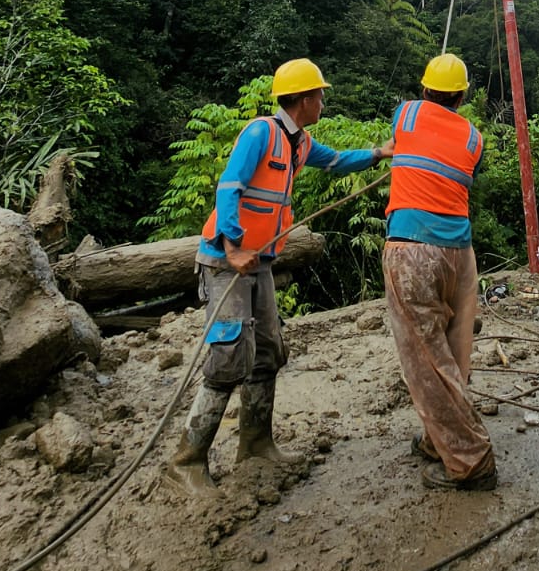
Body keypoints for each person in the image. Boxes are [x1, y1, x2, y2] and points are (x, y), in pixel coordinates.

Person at [166, 59, 392, 495]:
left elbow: (337, 161)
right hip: (225, 262)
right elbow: (229, 186)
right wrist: (233, 245)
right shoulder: (261, 133)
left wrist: (379, 154)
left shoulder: (300, 143)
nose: (323, 101)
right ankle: (186, 461)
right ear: (304, 99)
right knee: (229, 356)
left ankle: (255, 444)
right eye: (320, 95)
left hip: (260, 262)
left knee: (268, 350)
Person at [381, 52, 498, 491]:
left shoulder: (406, 114)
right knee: (454, 350)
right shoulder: (474, 138)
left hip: (413, 250)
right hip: (460, 255)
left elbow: (400, 140)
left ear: (424, 88)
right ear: (462, 96)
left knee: (426, 360)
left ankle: (471, 460)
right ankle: (438, 439)